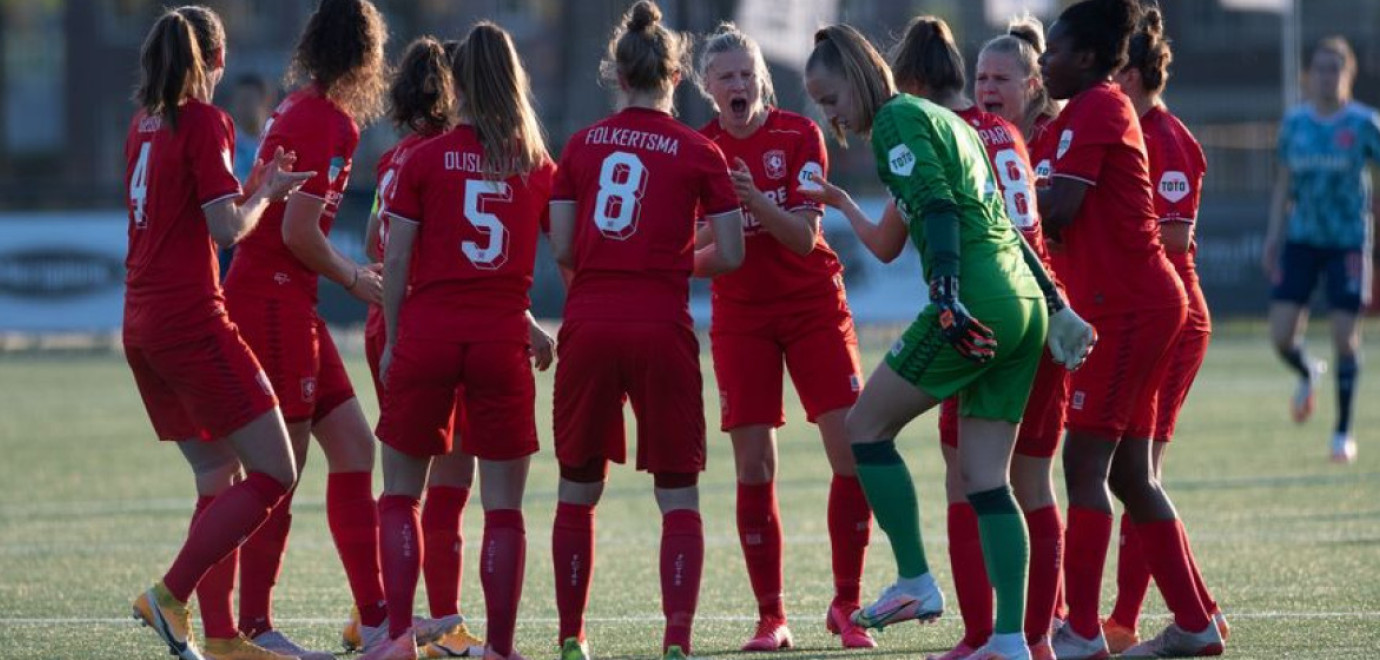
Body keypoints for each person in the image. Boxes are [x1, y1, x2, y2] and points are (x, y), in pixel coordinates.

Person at [803, 22, 1093, 660]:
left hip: (976, 297)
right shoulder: (955, 123)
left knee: (864, 429)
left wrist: (945, 292)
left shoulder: (896, 122)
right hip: (1021, 303)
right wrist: (1054, 302)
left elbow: (935, 206)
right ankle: (1012, 639)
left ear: (855, 77)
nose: (832, 115)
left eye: (830, 100)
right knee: (989, 479)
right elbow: (1006, 224)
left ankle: (915, 580)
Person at [547, 3, 745, 659]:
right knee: (677, 491)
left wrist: (617, 265)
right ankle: (677, 642)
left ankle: (572, 638)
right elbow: (734, 254)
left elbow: (566, 246)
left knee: (578, 489)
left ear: (617, 73)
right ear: (677, 73)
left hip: (590, 321)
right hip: (661, 322)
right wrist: (663, 262)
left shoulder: (579, 145)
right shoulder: (699, 150)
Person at [1034, 0, 1224, 657]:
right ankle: (1196, 623)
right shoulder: (1072, 117)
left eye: (1051, 52)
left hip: (1131, 309)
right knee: (1129, 474)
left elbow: (1056, 209)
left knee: (1084, 462)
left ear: (1086, 57)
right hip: (1127, 306)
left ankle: (1083, 631)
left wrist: (1002, 201)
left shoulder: (1099, 107)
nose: (1040, 62)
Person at [123, 7, 313, 660]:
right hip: (190, 320)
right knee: (275, 471)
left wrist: (256, 186)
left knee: (217, 471)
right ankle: (170, 597)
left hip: (141, 323)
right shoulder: (207, 119)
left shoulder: (143, 125)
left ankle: (224, 637)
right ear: (216, 61)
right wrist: (266, 198)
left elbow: (192, 209)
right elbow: (227, 231)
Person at [364, 22, 556, 660]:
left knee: (400, 494)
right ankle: (499, 649)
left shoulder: (424, 157)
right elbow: (573, 250)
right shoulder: (533, 162)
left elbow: (394, 262)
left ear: (459, 82)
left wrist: (392, 336)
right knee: (503, 509)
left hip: (428, 334)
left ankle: (398, 638)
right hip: (501, 341)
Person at [887, 15, 1068, 660]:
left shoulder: (944, 134)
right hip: (1040, 314)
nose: (990, 86)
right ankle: (1034, 637)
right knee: (1028, 483)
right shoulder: (1009, 135)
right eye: (982, 76)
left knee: (969, 480)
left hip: (983, 315)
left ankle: (987, 636)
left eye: (1002, 77)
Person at [692, 22, 874, 652]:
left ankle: (847, 606)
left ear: (761, 78)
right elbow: (695, 248)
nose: (738, 84)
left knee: (851, 453)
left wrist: (749, 203)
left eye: (747, 73)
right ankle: (772, 617)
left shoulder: (799, 136)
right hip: (742, 318)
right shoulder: (700, 149)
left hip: (813, 307)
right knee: (754, 464)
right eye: (726, 77)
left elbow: (801, 236)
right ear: (707, 87)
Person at [221, 0, 390, 656]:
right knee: (277, 471)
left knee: (352, 447)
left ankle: (375, 617)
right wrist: (355, 278)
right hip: (272, 301)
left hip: (289, 301)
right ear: (364, 55)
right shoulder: (328, 120)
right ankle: (255, 627)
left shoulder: (300, 105)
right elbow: (297, 233)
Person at [348, 37, 488, 660]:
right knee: (447, 481)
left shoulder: (394, 159)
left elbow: (377, 235)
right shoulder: (464, 156)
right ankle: (434, 624)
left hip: (392, 319)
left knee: (408, 483)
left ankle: (392, 622)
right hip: (437, 323)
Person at [1101, 8, 1227, 654]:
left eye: (1115, 67)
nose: (1106, 78)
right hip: (1148, 312)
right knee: (1135, 473)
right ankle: (1199, 609)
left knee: (1138, 473)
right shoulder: (1124, 125)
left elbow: (1175, 235)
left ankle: (1126, 620)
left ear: (1135, 70)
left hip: (1172, 317)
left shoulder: (1165, 136)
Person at [1263, 35, 1380, 464]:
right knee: (1279, 336)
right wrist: (1273, 236)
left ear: (1348, 74)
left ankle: (1342, 432)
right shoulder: (1294, 124)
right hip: (1301, 240)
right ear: (1308, 75)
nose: (1328, 75)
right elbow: (1283, 185)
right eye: (1321, 67)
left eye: (1336, 67)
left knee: (1345, 338)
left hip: (1348, 242)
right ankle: (1309, 370)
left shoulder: (1364, 124)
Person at [975, 17, 1061, 146]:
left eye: (1000, 79)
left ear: (1032, 86)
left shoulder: (1056, 137)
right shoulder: (971, 138)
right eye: (982, 78)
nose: (988, 88)